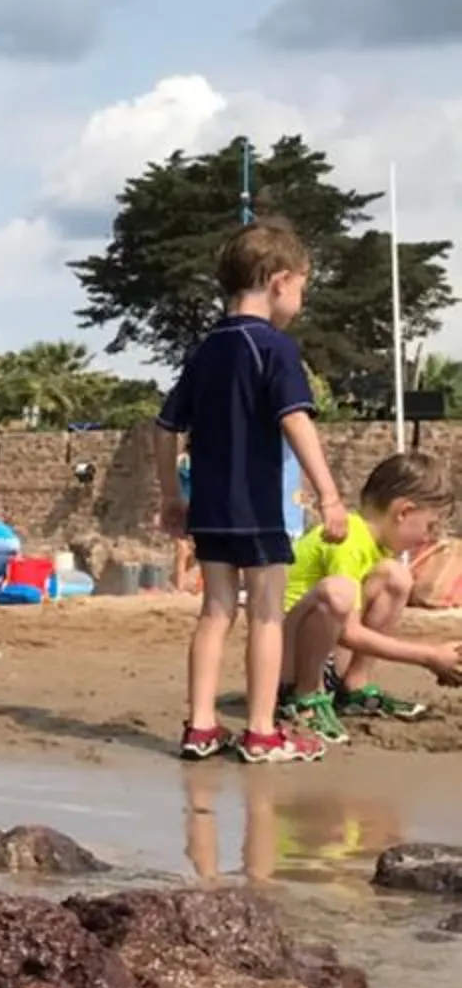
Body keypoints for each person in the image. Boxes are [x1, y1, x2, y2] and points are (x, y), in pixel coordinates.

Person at [154, 218, 348, 765]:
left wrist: (172, 494)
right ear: (280, 281)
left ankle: (201, 726)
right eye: (303, 288)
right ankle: (262, 731)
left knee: (215, 612)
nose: (300, 301)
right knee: (265, 613)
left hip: (212, 508)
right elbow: (296, 422)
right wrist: (329, 495)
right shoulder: (276, 349)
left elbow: (164, 426)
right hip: (260, 508)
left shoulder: (206, 350)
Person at [276, 452, 461, 746]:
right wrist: (429, 656)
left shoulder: (376, 548)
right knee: (340, 592)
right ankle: (303, 694)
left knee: (396, 577)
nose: (428, 538)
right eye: (430, 526)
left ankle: (353, 686)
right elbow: (349, 632)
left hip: (319, 650)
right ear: (403, 511)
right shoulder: (347, 539)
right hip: (284, 659)